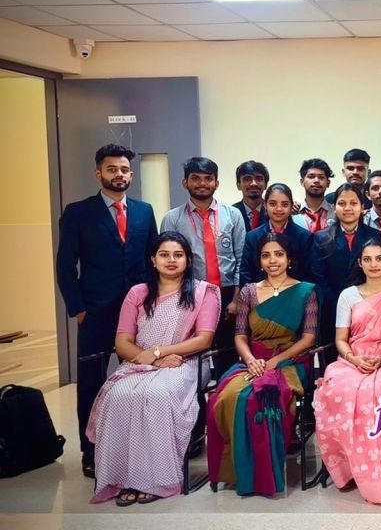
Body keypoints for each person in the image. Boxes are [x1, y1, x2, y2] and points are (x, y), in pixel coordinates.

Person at [86, 232, 220, 505]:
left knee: (157, 395)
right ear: (153, 260)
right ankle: (123, 478)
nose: (171, 260)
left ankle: (157, 479)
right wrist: (152, 360)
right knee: (119, 396)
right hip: (139, 363)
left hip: (186, 363)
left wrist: (160, 352)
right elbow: (122, 342)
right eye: (164, 255)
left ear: (187, 259)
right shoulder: (138, 293)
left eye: (178, 255)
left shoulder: (202, 293)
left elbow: (203, 340)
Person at [56, 143, 158, 478]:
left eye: (125, 169)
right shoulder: (78, 213)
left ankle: (137, 446)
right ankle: (91, 451)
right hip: (96, 314)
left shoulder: (144, 211)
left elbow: (152, 261)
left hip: (139, 314)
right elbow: (65, 267)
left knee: (141, 380)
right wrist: (79, 309)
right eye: (112, 169)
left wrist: (154, 303)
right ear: (98, 172)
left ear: (131, 174)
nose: (119, 175)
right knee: (91, 383)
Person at [207, 233, 319, 497]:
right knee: (228, 397)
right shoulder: (248, 292)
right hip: (253, 361)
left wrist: (275, 361)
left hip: (289, 361)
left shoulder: (306, 291)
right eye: (266, 255)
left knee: (263, 398)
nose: (272, 261)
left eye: (279, 254)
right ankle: (239, 472)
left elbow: (308, 338)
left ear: (289, 259)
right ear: (259, 261)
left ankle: (265, 474)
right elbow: (240, 335)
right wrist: (250, 360)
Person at [313, 240, 381, 505]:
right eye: (367, 259)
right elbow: (340, 339)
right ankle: (347, 468)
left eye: (379, 258)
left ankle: (380, 469)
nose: (373, 264)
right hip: (352, 359)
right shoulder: (348, 295)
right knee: (336, 388)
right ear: (360, 263)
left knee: (378, 391)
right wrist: (353, 358)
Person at [161, 156, 246, 378]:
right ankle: (195, 398)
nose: (202, 183)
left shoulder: (233, 215)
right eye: (195, 178)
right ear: (185, 182)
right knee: (192, 355)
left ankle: (224, 395)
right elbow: (168, 263)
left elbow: (241, 259)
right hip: (191, 293)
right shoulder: (172, 218)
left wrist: (237, 299)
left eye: (208, 178)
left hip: (227, 294)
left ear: (216, 183)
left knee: (227, 353)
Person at [311, 184, 381, 349]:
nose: (348, 208)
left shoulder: (374, 236)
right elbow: (318, 277)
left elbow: (380, 272)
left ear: (362, 207)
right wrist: (340, 304)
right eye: (342, 203)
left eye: (353, 203)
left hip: (369, 308)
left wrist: (362, 304)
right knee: (333, 356)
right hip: (332, 309)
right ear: (334, 208)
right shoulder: (321, 238)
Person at [240, 183, 314, 285]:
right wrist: (253, 293)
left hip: (295, 292)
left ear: (291, 206)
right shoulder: (252, 237)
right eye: (273, 204)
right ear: (265, 205)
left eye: (284, 204)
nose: (279, 209)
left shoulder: (304, 237)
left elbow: (308, 274)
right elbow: (246, 272)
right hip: (260, 292)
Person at [294, 158, 333, 233]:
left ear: (328, 183)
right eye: (311, 177)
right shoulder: (292, 213)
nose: (316, 181)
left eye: (321, 177)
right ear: (302, 182)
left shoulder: (336, 214)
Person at [233, 161, 269, 232]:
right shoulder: (231, 213)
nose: (253, 183)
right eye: (247, 179)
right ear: (238, 185)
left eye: (259, 179)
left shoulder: (273, 211)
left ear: (266, 185)